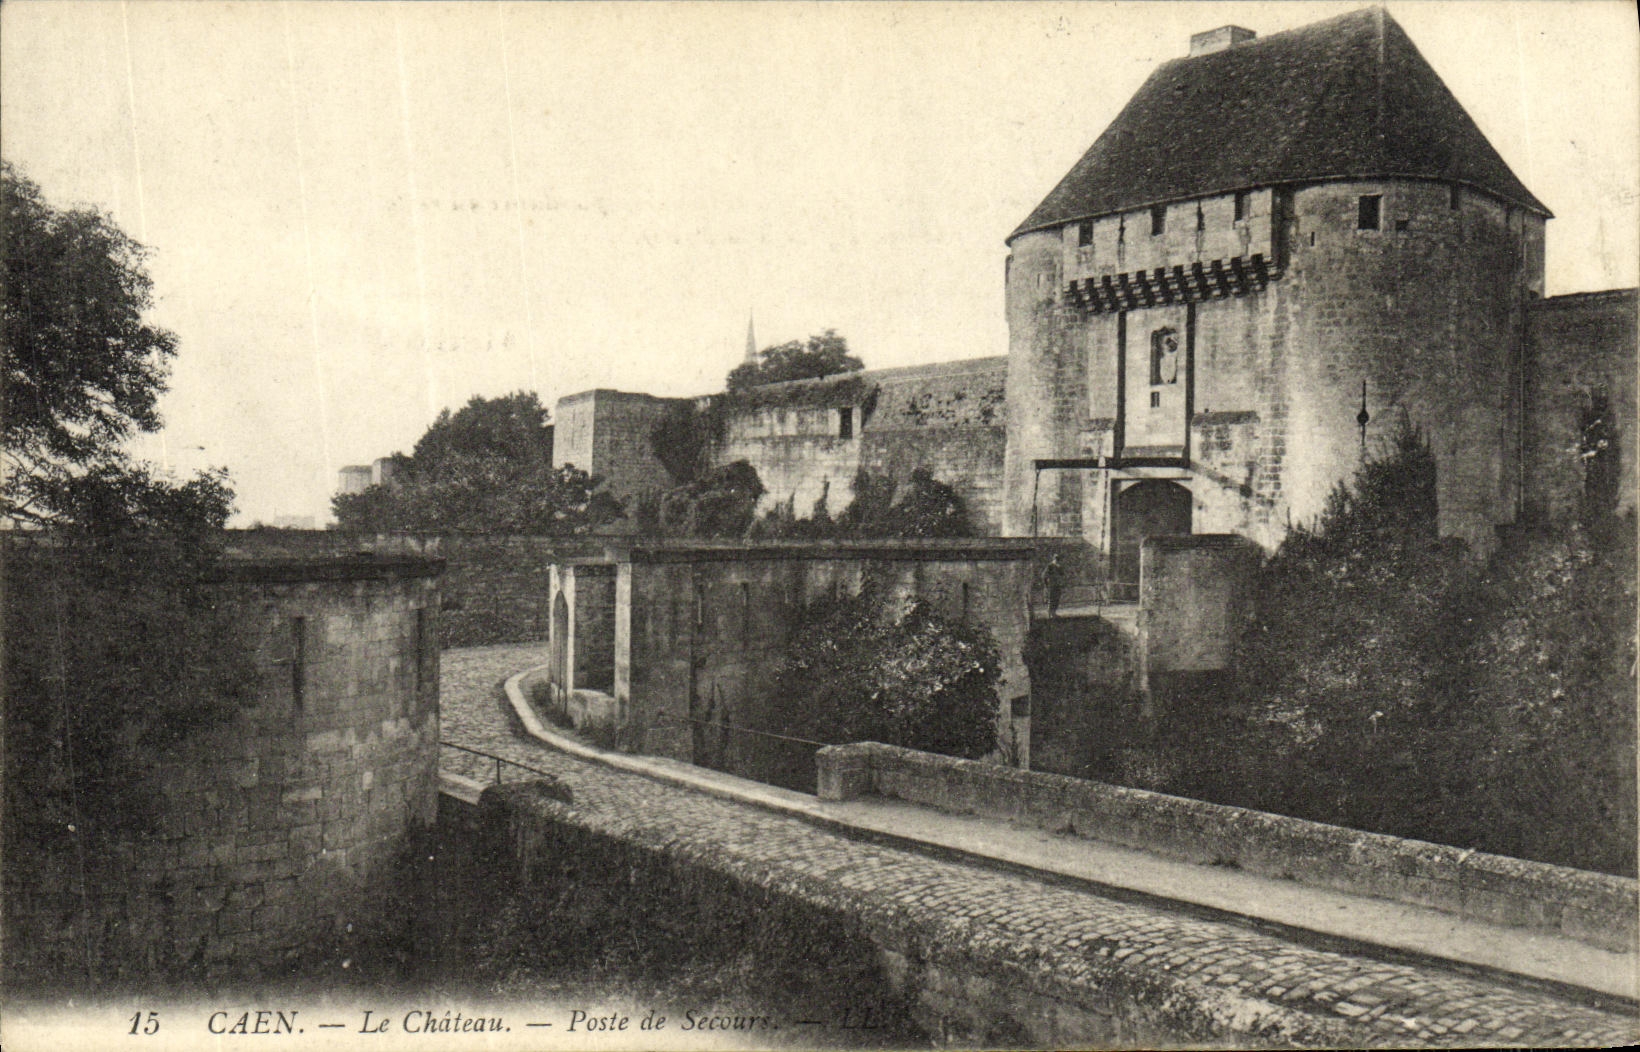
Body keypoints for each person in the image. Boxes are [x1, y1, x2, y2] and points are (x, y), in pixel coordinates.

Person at [1044, 553, 1065, 618]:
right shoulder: (1050, 566)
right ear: (1054, 559)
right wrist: (1046, 584)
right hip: (1051, 585)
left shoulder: (1060, 567)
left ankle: (1054, 613)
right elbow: (1044, 575)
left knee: (1056, 599)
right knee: (1051, 599)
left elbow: (1062, 576)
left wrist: (1061, 583)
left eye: (1058, 559)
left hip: (1057, 585)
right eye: (1056, 559)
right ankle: (1049, 614)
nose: (1057, 560)